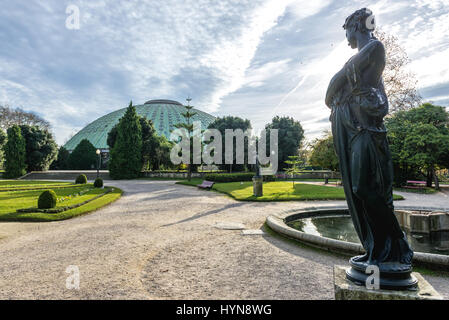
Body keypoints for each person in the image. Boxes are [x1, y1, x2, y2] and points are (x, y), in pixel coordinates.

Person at [325, 8, 413, 275]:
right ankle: (376, 249)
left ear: (357, 26)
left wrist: (340, 82)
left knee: (363, 187)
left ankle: (397, 245)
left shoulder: (374, 48)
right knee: (356, 190)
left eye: (348, 31)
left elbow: (337, 82)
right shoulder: (362, 55)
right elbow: (329, 95)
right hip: (351, 125)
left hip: (364, 129)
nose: (347, 37)